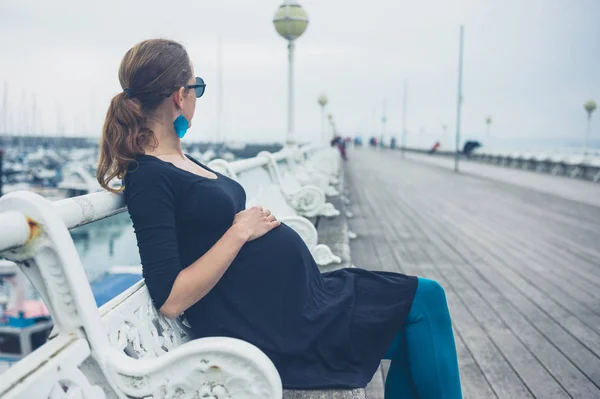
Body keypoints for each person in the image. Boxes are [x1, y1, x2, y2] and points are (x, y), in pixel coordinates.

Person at [96, 39, 462, 399]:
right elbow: (171, 298)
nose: (196, 97)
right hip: (273, 327)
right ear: (180, 94)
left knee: (422, 310)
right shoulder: (149, 176)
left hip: (297, 302)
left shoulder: (180, 160)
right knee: (423, 303)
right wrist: (239, 232)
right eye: (197, 87)